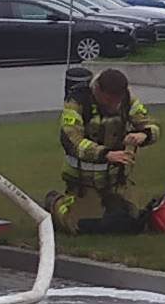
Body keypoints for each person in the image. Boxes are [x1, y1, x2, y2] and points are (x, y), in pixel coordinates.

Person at [56, 63, 158, 229]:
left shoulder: (127, 98)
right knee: (80, 226)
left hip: (116, 178)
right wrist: (105, 154)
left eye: (118, 100)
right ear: (97, 90)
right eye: (109, 100)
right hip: (84, 179)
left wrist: (144, 134)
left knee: (134, 221)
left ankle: (115, 204)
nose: (114, 104)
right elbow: (72, 140)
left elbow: (150, 124)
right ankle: (55, 203)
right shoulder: (77, 102)